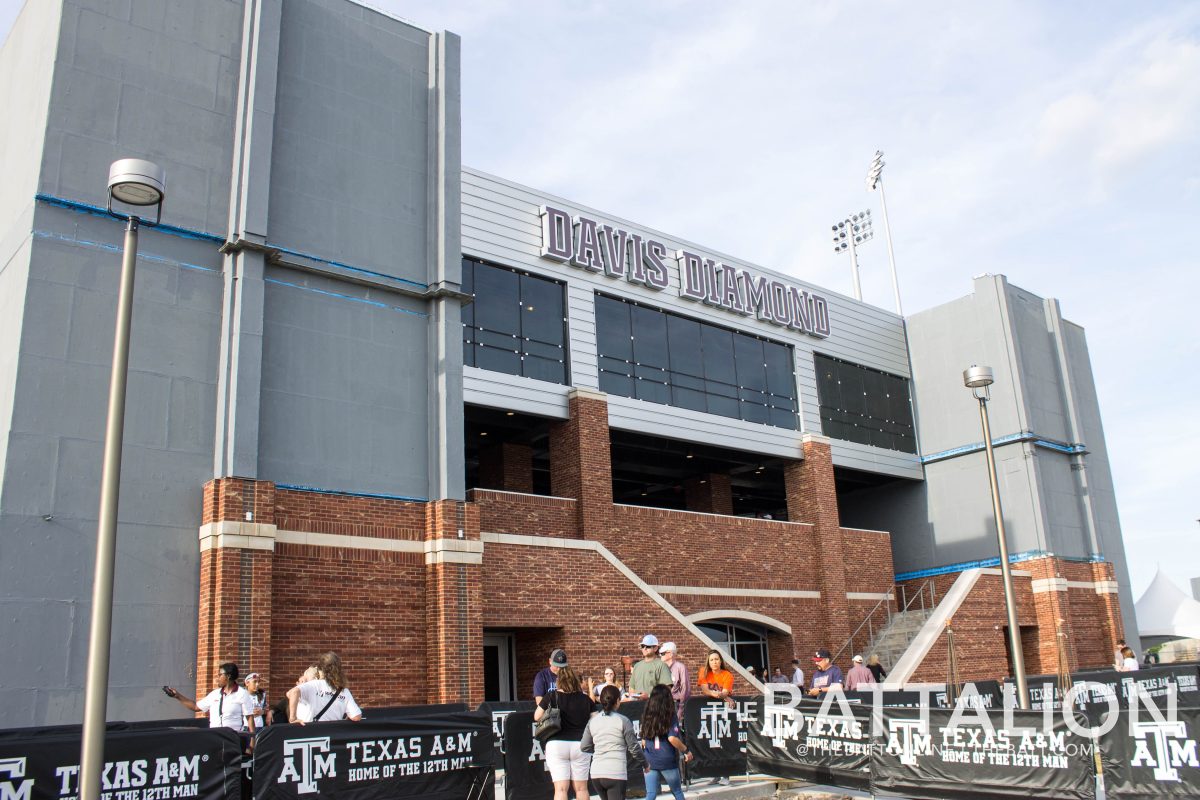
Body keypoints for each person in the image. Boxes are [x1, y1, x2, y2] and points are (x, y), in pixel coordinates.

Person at [534, 665, 595, 800]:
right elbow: (595, 721)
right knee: (581, 788)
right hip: (581, 744)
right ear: (575, 680)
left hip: (556, 743)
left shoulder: (551, 696)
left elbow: (537, 716)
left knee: (560, 789)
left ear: (558, 681)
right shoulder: (586, 699)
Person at [581, 684, 645, 800]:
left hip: (596, 773)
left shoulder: (592, 721)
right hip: (615, 771)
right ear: (618, 701)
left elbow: (584, 747)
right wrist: (645, 764)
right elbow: (634, 748)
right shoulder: (623, 720)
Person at [165, 662, 256, 734]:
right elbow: (196, 707)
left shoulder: (242, 694)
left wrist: (252, 744)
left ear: (228, 676)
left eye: (220, 675)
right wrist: (177, 696)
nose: (218, 677)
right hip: (215, 736)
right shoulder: (215, 694)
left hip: (233, 737)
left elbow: (250, 719)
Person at [640, 685, 692, 800]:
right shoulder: (669, 715)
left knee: (651, 794)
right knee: (677, 792)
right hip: (667, 759)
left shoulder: (647, 715)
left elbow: (643, 740)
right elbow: (672, 738)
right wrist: (686, 750)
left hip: (650, 759)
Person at [287, 652, 362, 723]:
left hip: (311, 731)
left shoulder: (313, 685)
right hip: (333, 732)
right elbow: (356, 716)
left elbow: (293, 692)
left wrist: (293, 718)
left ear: (321, 669)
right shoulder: (344, 691)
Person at [629, 635, 672, 699]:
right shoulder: (637, 666)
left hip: (654, 706)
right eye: (643, 646)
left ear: (655, 648)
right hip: (637, 706)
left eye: (648, 646)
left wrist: (649, 696)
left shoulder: (662, 665)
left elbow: (666, 690)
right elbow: (632, 688)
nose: (644, 648)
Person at [659, 642, 690, 721]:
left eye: (662, 653)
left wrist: (681, 708)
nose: (660, 655)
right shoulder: (659, 668)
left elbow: (685, 689)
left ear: (670, 654)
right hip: (660, 703)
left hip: (675, 704)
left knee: (675, 730)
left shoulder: (680, 667)